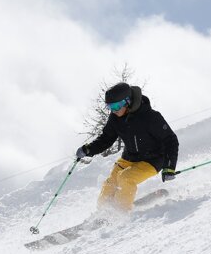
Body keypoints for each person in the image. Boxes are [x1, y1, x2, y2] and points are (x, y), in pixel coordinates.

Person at [76, 82, 179, 212]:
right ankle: (102, 213)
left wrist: (169, 167)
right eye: (110, 106)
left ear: (128, 102)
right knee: (110, 183)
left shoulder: (151, 117)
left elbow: (170, 140)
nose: (114, 110)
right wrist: (88, 149)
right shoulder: (115, 118)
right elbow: (106, 138)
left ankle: (120, 213)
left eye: (117, 106)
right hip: (129, 158)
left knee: (126, 178)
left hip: (152, 160)